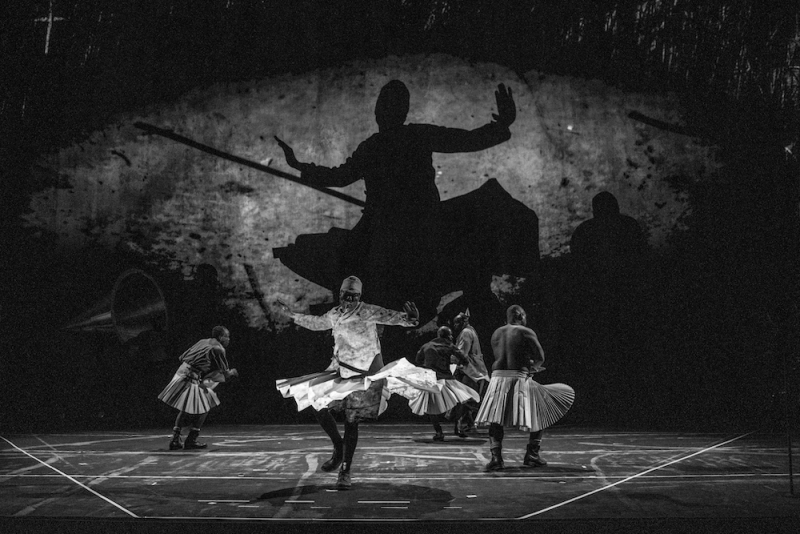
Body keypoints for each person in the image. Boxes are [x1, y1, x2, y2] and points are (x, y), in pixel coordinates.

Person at [274, 80, 516, 311]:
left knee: (348, 264)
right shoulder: (416, 136)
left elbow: (339, 177)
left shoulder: (372, 147)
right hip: (420, 223)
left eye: (383, 105)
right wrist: (501, 127)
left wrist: (299, 165)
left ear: (380, 112)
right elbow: (466, 140)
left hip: (390, 229)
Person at [275, 275, 419, 490]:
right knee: (316, 404)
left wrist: (410, 319)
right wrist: (292, 315)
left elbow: (392, 317)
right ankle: (338, 446)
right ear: (340, 294)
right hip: (340, 371)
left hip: (363, 375)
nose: (349, 299)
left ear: (359, 296)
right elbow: (316, 323)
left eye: (354, 296)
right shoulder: (335, 314)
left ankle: (345, 470)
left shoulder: (368, 311)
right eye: (346, 295)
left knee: (352, 421)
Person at [475, 305, 574, 471]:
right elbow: (540, 357)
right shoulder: (526, 331)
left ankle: (496, 458)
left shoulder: (496, 333)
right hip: (518, 376)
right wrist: (533, 367)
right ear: (520, 315)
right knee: (541, 410)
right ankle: (532, 455)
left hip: (498, 376)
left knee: (495, 417)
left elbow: (502, 355)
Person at [158, 326, 238, 450]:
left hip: (181, 372)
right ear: (221, 337)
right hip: (190, 376)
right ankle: (191, 439)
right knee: (205, 406)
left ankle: (175, 439)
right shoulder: (219, 349)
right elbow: (225, 373)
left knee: (185, 408)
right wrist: (233, 372)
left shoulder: (202, 341)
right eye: (227, 337)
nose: (229, 339)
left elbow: (182, 357)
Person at [412, 326, 480, 441]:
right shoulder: (449, 346)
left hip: (432, 380)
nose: (452, 337)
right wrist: (457, 363)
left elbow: (418, 360)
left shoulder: (427, 345)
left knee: (431, 407)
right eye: (451, 335)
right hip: (447, 379)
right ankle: (457, 426)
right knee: (461, 400)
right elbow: (464, 359)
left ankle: (439, 432)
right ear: (447, 336)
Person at [451, 310, 489, 436]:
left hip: (470, 371)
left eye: (457, 323)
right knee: (468, 399)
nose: (455, 326)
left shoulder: (466, 332)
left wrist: (450, 360)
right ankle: (467, 425)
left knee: (465, 399)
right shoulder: (471, 330)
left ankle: (462, 426)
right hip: (474, 370)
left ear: (463, 322)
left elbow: (462, 353)